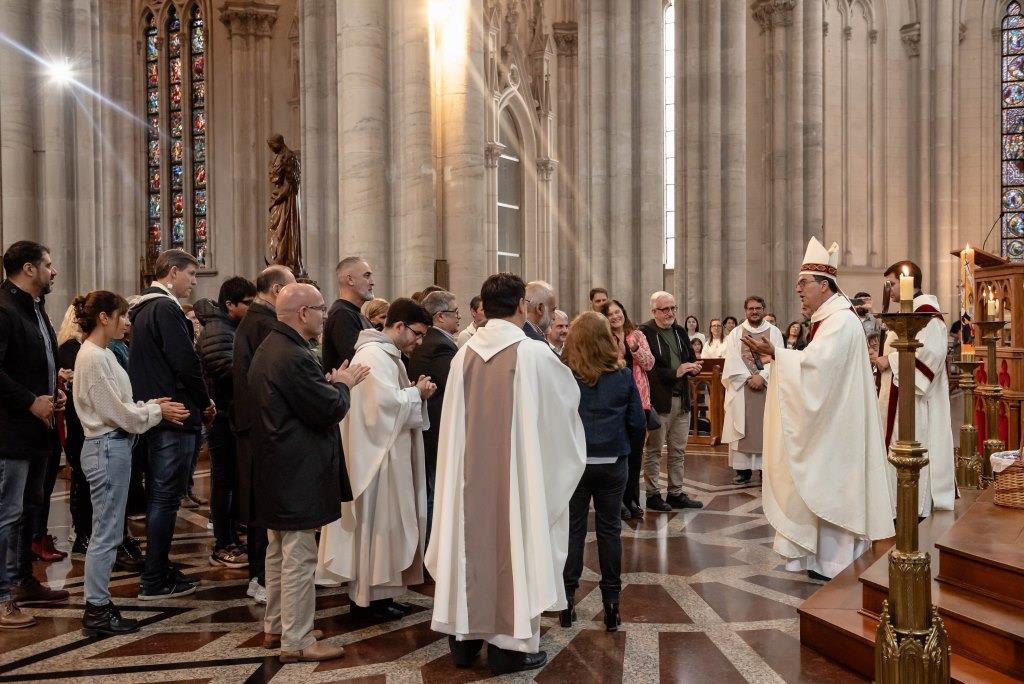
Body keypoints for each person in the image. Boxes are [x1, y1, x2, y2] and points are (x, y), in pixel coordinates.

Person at [426, 273, 586, 676]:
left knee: (464, 544)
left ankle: (463, 641)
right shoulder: (535, 355)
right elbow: (564, 417)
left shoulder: (462, 354)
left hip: (464, 485)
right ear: (521, 307)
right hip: (515, 485)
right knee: (515, 541)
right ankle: (509, 648)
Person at [744, 237, 894, 581]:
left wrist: (777, 355)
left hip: (838, 429)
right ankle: (823, 559)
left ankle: (834, 563)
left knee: (832, 488)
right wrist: (777, 356)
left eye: (803, 283)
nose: (798, 289)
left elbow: (818, 370)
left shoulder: (840, 321)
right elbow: (816, 367)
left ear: (824, 285)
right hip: (834, 423)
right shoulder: (831, 318)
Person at [249, 283, 368, 663]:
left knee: (279, 550)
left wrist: (328, 385)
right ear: (303, 314)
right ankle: (298, 642)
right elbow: (326, 409)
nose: (325, 315)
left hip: (276, 466)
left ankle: (278, 626)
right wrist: (343, 386)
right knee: (299, 555)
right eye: (320, 309)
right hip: (295, 469)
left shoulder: (272, 346)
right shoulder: (293, 354)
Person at [72, 291, 191, 636]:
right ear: (104, 318)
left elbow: (120, 404)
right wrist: (156, 411)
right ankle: (95, 609)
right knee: (106, 534)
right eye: (122, 316)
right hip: (107, 447)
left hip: (113, 446)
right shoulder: (93, 357)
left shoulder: (103, 354)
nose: (128, 322)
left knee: (108, 530)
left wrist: (149, 404)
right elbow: (118, 414)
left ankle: (99, 602)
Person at [318, 298, 435, 619]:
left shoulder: (386, 354)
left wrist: (410, 392)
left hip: (386, 458)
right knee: (376, 530)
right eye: (417, 333)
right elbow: (378, 409)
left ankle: (380, 597)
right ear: (398, 326)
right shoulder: (372, 356)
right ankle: (364, 603)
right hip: (375, 465)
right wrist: (417, 393)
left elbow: (389, 402)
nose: (419, 341)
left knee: (388, 530)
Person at [129, 249, 215, 600]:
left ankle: (159, 567)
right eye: (191, 274)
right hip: (174, 415)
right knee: (165, 498)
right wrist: (205, 400)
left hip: (158, 412)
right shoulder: (165, 308)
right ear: (172, 272)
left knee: (160, 497)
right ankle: (154, 578)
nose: (194, 281)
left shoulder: (144, 309)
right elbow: (185, 361)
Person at [560, 312, 645, 633]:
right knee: (610, 532)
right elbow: (637, 423)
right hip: (613, 461)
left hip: (576, 462)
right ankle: (612, 606)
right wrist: (624, 445)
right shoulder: (622, 376)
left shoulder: (565, 375)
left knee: (574, 531)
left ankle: (567, 601)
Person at [0, 241, 70, 627]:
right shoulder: (4, 309)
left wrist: (54, 388)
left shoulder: (34, 309)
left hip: (36, 430)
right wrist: (30, 400)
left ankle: (23, 580)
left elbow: (34, 361)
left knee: (29, 511)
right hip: (11, 433)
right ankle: (2, 595)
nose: (53, 271)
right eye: (48, 264)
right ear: (28, 269)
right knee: (7, 515)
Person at [233, 265, 296, 604]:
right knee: (262, 503)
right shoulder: (264, 324)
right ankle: (260, 576)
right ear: (276, 290)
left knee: (262, 501)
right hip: (262, 426)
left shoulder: (256, 320)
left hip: (256, 423)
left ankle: (264, 574)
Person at [872, 261, 954, 519]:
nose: (890, 290)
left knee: (910, 444)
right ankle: (896, 506)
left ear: (910, 282)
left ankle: (913, 507)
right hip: (896, 390)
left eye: (893, 284)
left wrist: (889, 361)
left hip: (914, 401)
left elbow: (931, 354)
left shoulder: (927, 313)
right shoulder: (910, 313)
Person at [195, 276, 256, 569]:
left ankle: (232, 534)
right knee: (223, 482)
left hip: (231, 415)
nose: (252, 306)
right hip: (223, 417)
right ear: (229, 304)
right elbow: (227, 371)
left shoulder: (230, 327)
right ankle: (223, 543)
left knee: (231, 480)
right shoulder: (218, 329)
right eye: (247, 302)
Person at [641, 292, 704, 512]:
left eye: (673, 308)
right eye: (664, 309)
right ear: (653, 312)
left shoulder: (679, 331)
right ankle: (652, 494)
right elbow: (650, 370)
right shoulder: (645, 332)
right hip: (660, 401)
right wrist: (676, 372)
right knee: (654, 450)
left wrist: (693, 367)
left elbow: (689, 358)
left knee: (678, 450)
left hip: (682, 399)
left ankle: (676, 492)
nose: (670, 313)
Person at [407, 290, 460, 541]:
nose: (458, 317)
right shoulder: (439, 345)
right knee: (434, 492)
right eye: (454, 312)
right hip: (437, 428)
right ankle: (432, 550)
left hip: (432, 426)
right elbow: (455, 384)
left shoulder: (433, 341)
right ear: (439, 317)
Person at [600, 299, 654, 520]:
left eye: (617, 311)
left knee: (635, 455)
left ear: (624, 312)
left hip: (639, 401)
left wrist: (634, 348)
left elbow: (649, 364)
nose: (615, 316)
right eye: (610, 314)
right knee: (617, 455)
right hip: (615, 401)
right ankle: (618, 500)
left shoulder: (637, 335)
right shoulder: (603, 338)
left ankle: (632, 498)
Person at [721, 296, 783, 485]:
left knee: (767, 427)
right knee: (742, 426)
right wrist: (748, 378)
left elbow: (780, 357)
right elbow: (731, 359)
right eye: (750, 308)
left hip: (767, 388)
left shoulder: (775, 332)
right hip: (742, 388)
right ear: (745, 310)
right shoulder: (736, 333)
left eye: (758, 308)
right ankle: (743, 470)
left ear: (764, 309)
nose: (754, 311)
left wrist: (762, 377)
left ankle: (766, 469)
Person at [56, 305, 87, 559]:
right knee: (80, 476)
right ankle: (79, 531)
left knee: (84, 477)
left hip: (80, 418)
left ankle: (84, 529)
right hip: (75, 420)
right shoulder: (69, 347)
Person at [323, 256, 375, 373]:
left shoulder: (354, 313)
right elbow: (359, 362)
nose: (372, 282)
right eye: (367, 276)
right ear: (350, 280)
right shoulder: (341, 314)